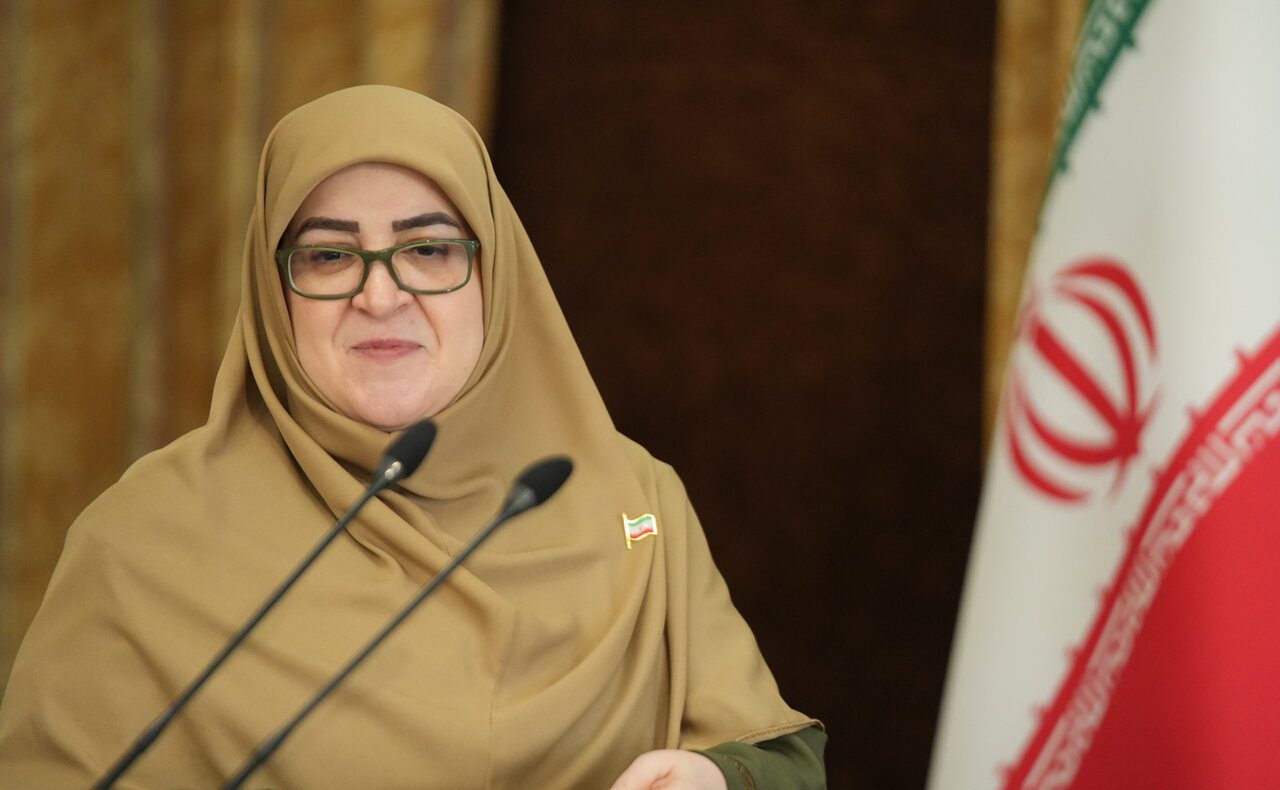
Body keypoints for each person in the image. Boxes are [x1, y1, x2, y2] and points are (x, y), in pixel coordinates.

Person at [0, 85, 824, 789]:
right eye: (329, 257)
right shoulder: (145, 541)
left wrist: (717, 778)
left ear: (494, 276)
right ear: (273, 291)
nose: (380, 296)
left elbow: (781, 755)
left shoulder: (633, 500)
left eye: (427, 248)